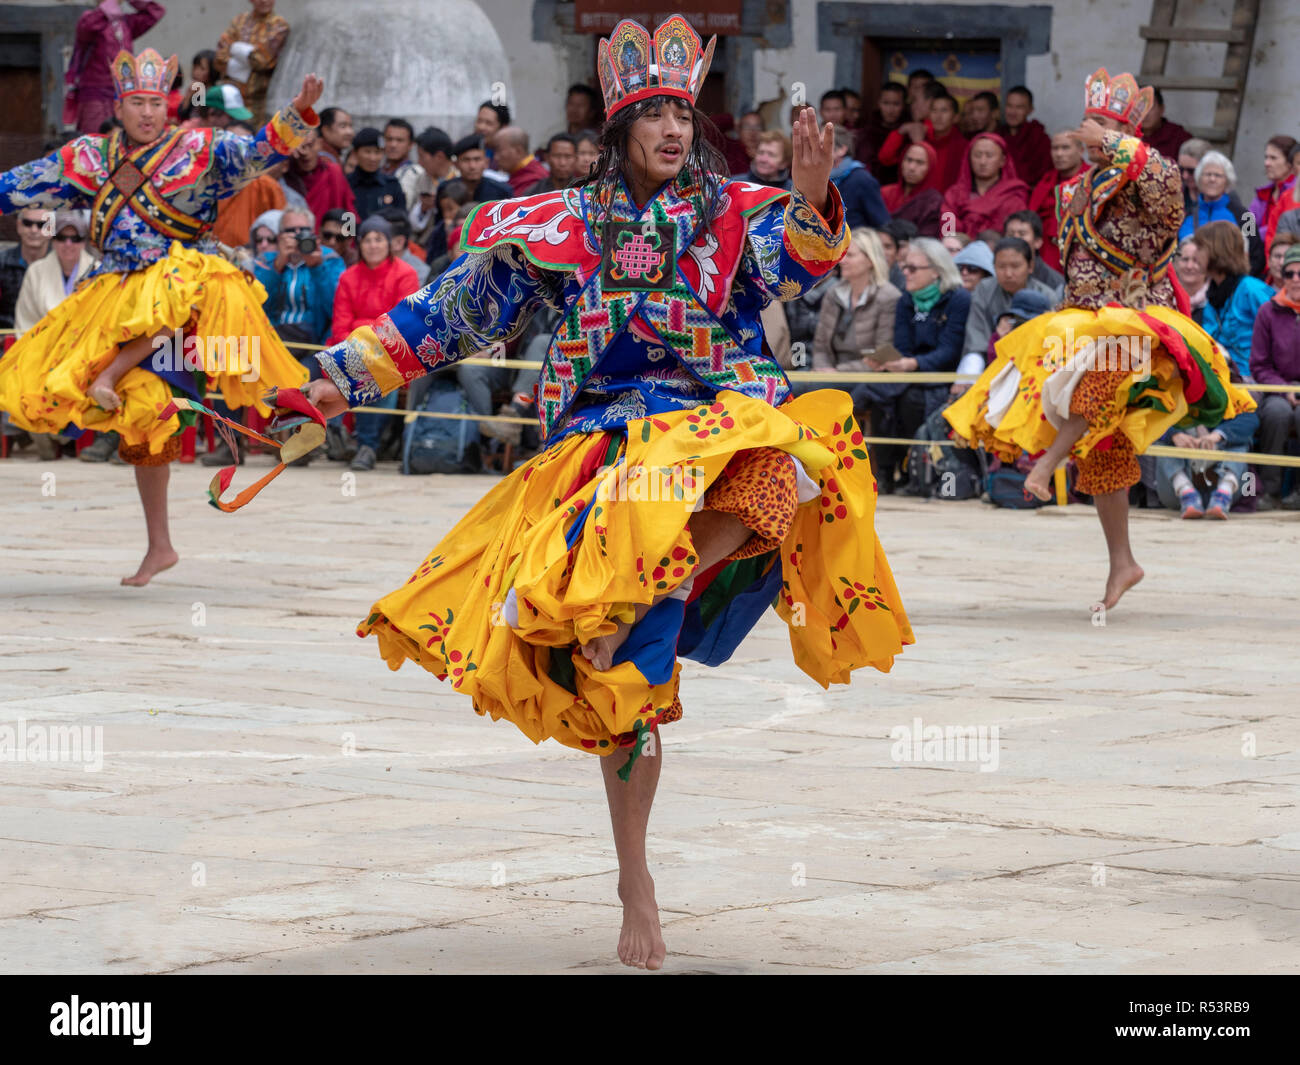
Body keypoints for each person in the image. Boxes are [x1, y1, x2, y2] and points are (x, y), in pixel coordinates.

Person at [303, 13, 911, 971]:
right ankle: (636, 872)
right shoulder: (559, 223)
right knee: (628, 687)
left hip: (712, 423)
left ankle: (644, 578)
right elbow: (455, 307)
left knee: (800, 462)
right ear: (619, 124)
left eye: (684, 111)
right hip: (600, 435)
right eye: (654, 111)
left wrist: (808, 198)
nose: (673, 127)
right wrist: (349, 371)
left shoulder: (731, 214)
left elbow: (794, 262)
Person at [0, 49, 320, 583]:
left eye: (155, 101)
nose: (147, 112)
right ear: (120, 105)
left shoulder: (199, 146)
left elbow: (260, 151)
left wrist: (299, 112)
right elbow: (19, 185)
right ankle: (160, 545)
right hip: (119, 292)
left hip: (186, 282)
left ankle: (291, 408)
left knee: (183, 286)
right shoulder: (89, 157)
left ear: (167, 104)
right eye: (137, 103)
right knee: (144, 416)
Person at [945, 68, 1254, 611]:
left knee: (1101, 376)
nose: (1088, 131)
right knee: (1102, 448)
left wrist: (1112, 141)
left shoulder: (1152, 179)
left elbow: (1159, 177)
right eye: (1090, 122)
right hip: (1084, 318)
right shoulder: (1076, 190)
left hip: (1142, 318)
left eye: (1102, 124)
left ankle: (1043, 468)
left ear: (1125, 133)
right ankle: (1123, 563)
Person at [856, 236, 969, 490]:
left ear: (936, 271)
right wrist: (889, 362)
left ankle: (916, 473)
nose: (905, 272)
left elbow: (949, 352)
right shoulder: (906, 300)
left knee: (910, 400)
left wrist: (912, 364)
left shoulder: (958, 299)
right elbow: (903, 347)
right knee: (879, 397)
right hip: (909, 372)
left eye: (913, 268)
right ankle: (883, 474)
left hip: (941, 376)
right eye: (904, 267)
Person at [327, 215, 420, 471]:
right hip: (352, 347)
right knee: (346, 364)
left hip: (394, 350)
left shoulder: (405, 273)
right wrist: (360, 340)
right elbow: (340, 324)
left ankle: (365, 444)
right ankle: (346, 438)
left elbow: (400, 323)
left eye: (379, 239)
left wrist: (363, 330)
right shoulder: (349, 277)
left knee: (380, 374)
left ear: (390, 244)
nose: (373, 245)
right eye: (367, 240)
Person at [11, 211, 97, 459]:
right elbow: (26, 320)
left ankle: (70, 436)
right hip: (43, 350)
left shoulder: (98, 270)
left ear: (84, 241)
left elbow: (103, 321)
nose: (68, 245)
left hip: (85, 351)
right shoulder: (36, 271)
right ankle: (48, 436)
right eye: (61, 238)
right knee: (28, 379)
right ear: (53, 240)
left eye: (75, 238)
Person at [808, 229, 902, 388]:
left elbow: (881, 357)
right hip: (829, 374)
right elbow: (820, 346)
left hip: (865, 378)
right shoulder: (833, 293)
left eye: (850, 255)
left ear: (870, 260)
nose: (842, 260)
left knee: (797, 389)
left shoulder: (889, 297)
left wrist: (836, 373)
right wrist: (823, 369)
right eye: (842, 254)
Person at [66, 0, 166, 135]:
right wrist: (110, 5)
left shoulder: (125, 23)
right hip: (96, 94)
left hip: (124, 92)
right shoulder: (90, 19)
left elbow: (155, 12)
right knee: (97, 141)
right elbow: (87, 28)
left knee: (126, 139)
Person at [1250, 244, 1300, 509]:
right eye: (1289, 274)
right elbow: (1259, 365)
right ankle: (1270, 491)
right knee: (1277, 414)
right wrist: (1284, 388)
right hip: (1276, 388)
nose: (1295, 279)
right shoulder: (1267, 312)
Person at [1190, 219, 1273, 378]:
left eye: (1200, 248)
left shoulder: (1251, 289)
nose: (1194, 255)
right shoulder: (1213, 294)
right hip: (1221, 377)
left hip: (1253, 379)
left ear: (1217, 250)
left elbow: (1280, 335)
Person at [962, 236, 1057, 361]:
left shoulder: (1046, 295)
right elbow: (977, 338)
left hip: (1036, 359)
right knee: (972, 360)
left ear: (1030, 266)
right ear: (993, 266)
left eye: (1015, 266)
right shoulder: (984, 289)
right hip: (989, 358)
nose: (1008, 273)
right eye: (1001, 266)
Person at [214, 0, 290, 127]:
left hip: (257, 101)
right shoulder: (239, 21)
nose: (264, 1)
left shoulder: (279, 26)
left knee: (249, 139)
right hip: (229, 96)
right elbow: (220, 57)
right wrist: (249, 54)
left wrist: (235, 48)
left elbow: (264, 61)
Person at [212, 120, 286, 247]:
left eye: (243, 145)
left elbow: (280, 228)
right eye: (230, 143)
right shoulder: (204, 177)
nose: (235, 151)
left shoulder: (268, 187)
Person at [942, 132, 1029, 238]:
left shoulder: (1013, 196)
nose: (982, 162)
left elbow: (1015, 234)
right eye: (977, 155)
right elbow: (947, 225)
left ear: (1002, 161)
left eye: (989, 155)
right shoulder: (954, 194)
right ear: (969, 159)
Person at [877, 88, 966, 190]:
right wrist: (900, 132)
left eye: (944, 111)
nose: (938, 116)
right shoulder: (921, 135)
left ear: (956, 117)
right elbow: (885, 158)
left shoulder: (963, 146)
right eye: (934, 110)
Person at [1028, 130, 1088, 273]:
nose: (1059, 154)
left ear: (1081, 150)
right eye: (1055, 148)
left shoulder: (1091, 181)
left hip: (1079, 255)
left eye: (1065, 147)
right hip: (1045, 254)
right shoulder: (1046, 181)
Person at [285, 127, 356, 227]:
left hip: (330, 239)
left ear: (320, 143)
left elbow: (348, 211)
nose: (305, 153)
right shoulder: (285, 175)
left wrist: (347, 240)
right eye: (300, 146)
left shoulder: (333, 172)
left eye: (310, 145)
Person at [0, 206, 52, 331]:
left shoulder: (62, 265)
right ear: (19, 226)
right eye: (27, 223)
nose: (34, 230)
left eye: (41, 225)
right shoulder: (2, 262)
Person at [828, 126, 889, 230]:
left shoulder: (862, 179)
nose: (815, 150)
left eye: (821, 144)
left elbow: (882, 223)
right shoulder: (819, 179)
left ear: (841, 150)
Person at [881, 141, 942, 236]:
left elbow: (927, 239)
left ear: (930, 167)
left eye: (920, 163)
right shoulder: (885, 192)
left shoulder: (934, 202)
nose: (912, 167)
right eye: (909, 160)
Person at [997, 85, 1052, 187]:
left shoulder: (1039, 139)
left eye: (1019, 107)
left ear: (1030, 110)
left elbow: (1046, 176)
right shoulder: (997, 136)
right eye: (1009, 106)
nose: (1013, 112)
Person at [1250, 136, 1298, 250]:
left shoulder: (1296, 194)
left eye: (1273, 158)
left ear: (1290, 163)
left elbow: (1285, 229)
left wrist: (1255, 235)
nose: (1267, 163)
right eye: (1266, 157)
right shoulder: (1263, 194)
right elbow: (1247, 224)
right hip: (1258, 255)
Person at [1178, 151, 1240, 240]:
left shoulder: (1244, 216)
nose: (1212, 179)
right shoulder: (1186, 213)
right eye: (1207, 174)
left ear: (1227, 180)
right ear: (1199, 178)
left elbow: (1254, 251)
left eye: (1217, 175)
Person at [347, 127, 407, 218]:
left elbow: (401, 219)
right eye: (367, 152)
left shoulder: (392, 185)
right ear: (355, 153)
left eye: (377, 152)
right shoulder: (346, 184)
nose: (373, 158)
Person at [1003, 210, 1065, 293]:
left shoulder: (1056, 283)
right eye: (1010, 234)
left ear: (1037, 242)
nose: (1015, 239)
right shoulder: (996, 275)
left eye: (1022, 234)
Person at [856, 81, 905, 184]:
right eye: (886, 103)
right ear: (879, 104)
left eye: (896, 104)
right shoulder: (868, 132)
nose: (890, 110)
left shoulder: (907, 131)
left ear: (904, 105)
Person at [448, 134, 513, 205]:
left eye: (477, 159)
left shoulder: (502, 191)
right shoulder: (445, 189)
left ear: (486, 162)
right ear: (456, 164)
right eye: (466, 160)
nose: (472, 166)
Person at [492, 126, 549, 195]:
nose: (495, 157)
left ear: (518, 151)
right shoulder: (517, 173)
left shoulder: (535, 179)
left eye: (499, 150)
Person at [1139, 86, 1191, 162]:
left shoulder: (1177, 136)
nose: (1146, 113)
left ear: (1162, 109)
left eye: (1150, 107)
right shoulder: (1128, 135)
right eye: (1141, 107)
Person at [382, 118, 425, 210]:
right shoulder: (379, 170)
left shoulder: (417, 173)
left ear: (410, 144)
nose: (393, 145)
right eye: (389, 139)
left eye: (399, 140)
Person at [1175, 237, 1209, 324]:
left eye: (1196, 261)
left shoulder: (1216, 301)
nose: (1189, 266)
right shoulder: (1163, 299)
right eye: (1185, 259)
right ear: (1176, 263)